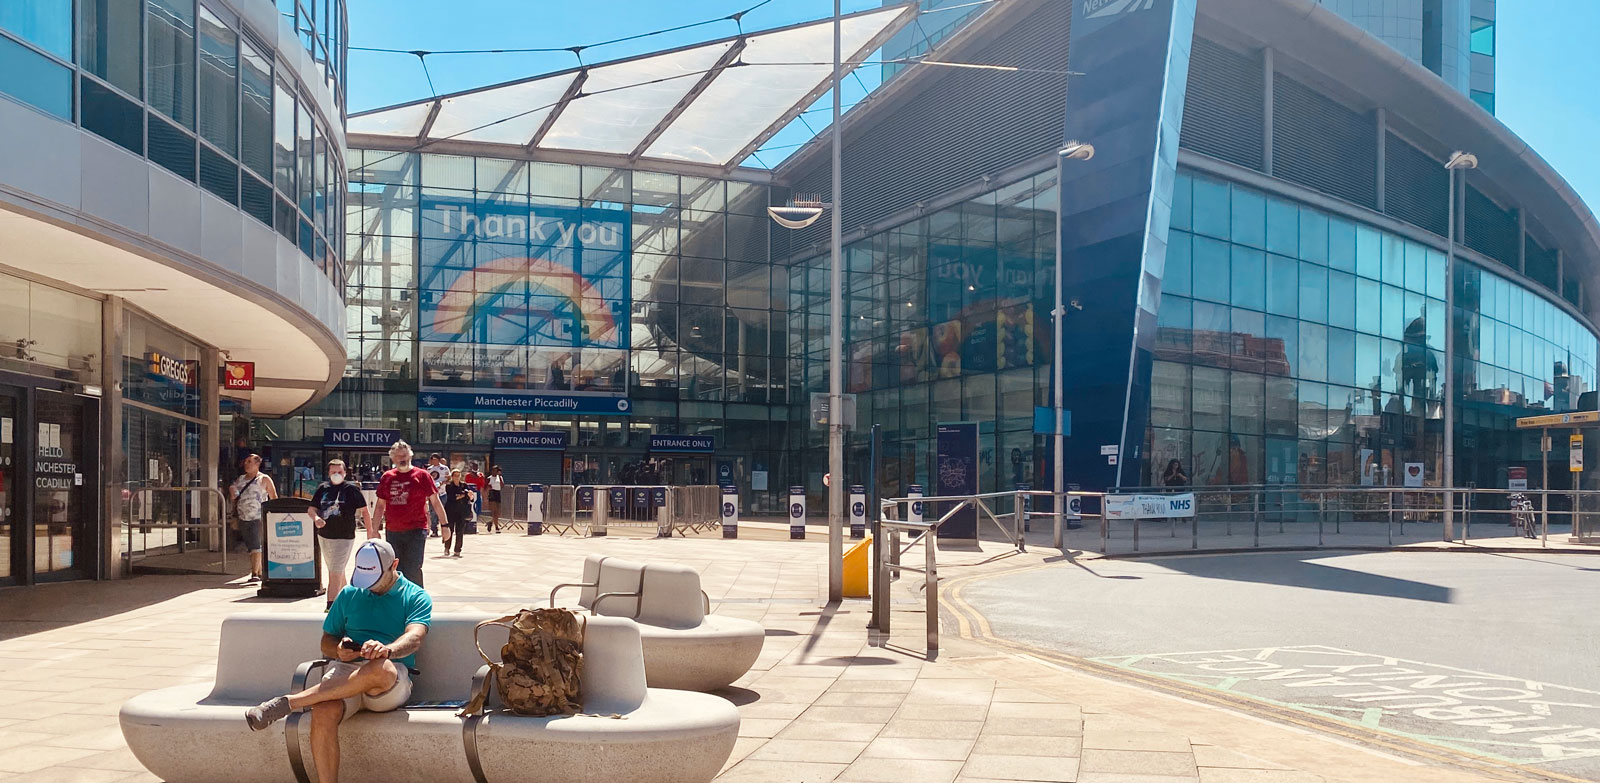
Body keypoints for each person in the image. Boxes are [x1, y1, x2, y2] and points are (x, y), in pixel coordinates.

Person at [244, 540, 431, 783]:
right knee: (322, 712)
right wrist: (339, 650)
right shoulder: (349, 593)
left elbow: (414, 637)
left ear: (394, 565)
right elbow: (327, 641)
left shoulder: (416, 596)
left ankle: (290, 703)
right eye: (365, 581)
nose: (369, 588)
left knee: (379, 667)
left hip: (386, 680)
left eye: (375, 580)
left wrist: (387, 649)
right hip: (346, 671)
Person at [372, 441, 448, 588]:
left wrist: (445, 525)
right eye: (399, 456)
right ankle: (398, 602)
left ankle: (416, 602)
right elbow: (380, 505)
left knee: (413, 569)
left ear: (411, 456)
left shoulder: (422, 476)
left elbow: (436, 502)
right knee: (395, 570)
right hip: (393, 531)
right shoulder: (387, 477)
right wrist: (374, 530)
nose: (403, 459)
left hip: (416, 529)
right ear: (393, 458)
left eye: (405, 455)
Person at [309, 459, 377, 610]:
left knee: (335, 571)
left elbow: (365, 511)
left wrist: (370, 533)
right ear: (328, 473)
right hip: (325, 535)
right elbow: (312, 508)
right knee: (336, 570)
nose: (336, 475)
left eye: (339, 472)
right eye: (333, 472)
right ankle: (350, 598)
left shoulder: (351, 490)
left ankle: (331, 606)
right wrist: (316, 518)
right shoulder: (323, 488)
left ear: (345, 473)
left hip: (344, 536)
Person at [228, 453, 278, 583]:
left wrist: (273, 515)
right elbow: (235, 497)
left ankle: (254, 573)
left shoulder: (264, 479)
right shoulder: (240, 479)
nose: (247, 464)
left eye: (250, 461)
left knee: (256, 544)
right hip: (243, 517)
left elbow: (273, 497)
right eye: (246, 461)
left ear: (257, 464)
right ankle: (260, 571)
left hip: (258, 517)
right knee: (251, 545)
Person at [441, 469, 476, 558]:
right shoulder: (449, 486)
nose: (457, 477)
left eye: (458, 475)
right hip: (451, 511)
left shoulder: (464, 485)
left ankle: (457, 550)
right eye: (455, 475)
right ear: (452, 477)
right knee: (450, 530)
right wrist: (463, 495)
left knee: (460, 531)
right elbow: (452, 497)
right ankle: (447, 547)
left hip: (461, 512)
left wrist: (469, 495)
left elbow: (469, 498)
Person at [426, 454, 450, 538]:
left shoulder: (444, 468)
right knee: (432, 512)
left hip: (442, 492)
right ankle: (434, 529)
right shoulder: (429, 469)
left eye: (435, 459)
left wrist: (441, 483)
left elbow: (448, 479)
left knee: (441, 510)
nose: (433, 460)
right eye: (432, 459)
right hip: (432, 493)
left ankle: (444, 526)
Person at [485, 466, 504, 533]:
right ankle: (496, 527)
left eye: (496, 471)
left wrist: (500, 477)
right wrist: (488, 488)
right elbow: (486, 487)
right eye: (494, 471)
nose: (495, 472)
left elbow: (502, 486)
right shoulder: (489, 478)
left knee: (498, 512)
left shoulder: (500, 477)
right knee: (494, 511)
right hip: (492, 493)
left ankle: (490, 522)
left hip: (498, 493)